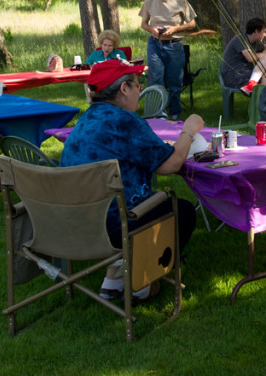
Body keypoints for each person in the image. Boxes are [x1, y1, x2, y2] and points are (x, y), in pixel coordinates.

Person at [59, 59, 203, 301]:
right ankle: (142, 281)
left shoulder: (88, 118)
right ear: (124, 88)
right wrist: (188, 130)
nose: (140, 89)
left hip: (74, 222)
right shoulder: (125, 121)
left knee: (137, 204)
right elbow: (170, 165)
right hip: (112, 227)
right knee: (183, 210)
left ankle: (114, 279)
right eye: (138, 84)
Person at [139, 0, 198, 120]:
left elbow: (192, 24)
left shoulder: (179, 0)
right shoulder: (150, 0)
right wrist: (152, 29)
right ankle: (158, 113)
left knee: (174, 80)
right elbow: (144, 24)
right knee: (155, 78)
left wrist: (174, 29)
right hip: (154, 43)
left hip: (174, 44)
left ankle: (175, 112)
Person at [221, 17, 266, 96]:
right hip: (234, 75)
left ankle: (257, 100)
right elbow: (250, 58)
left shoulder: (255, 42)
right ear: (256, 31)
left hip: (245, 72)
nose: (265, 35)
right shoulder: (240, 39)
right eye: (264, 32)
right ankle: (253, 89)